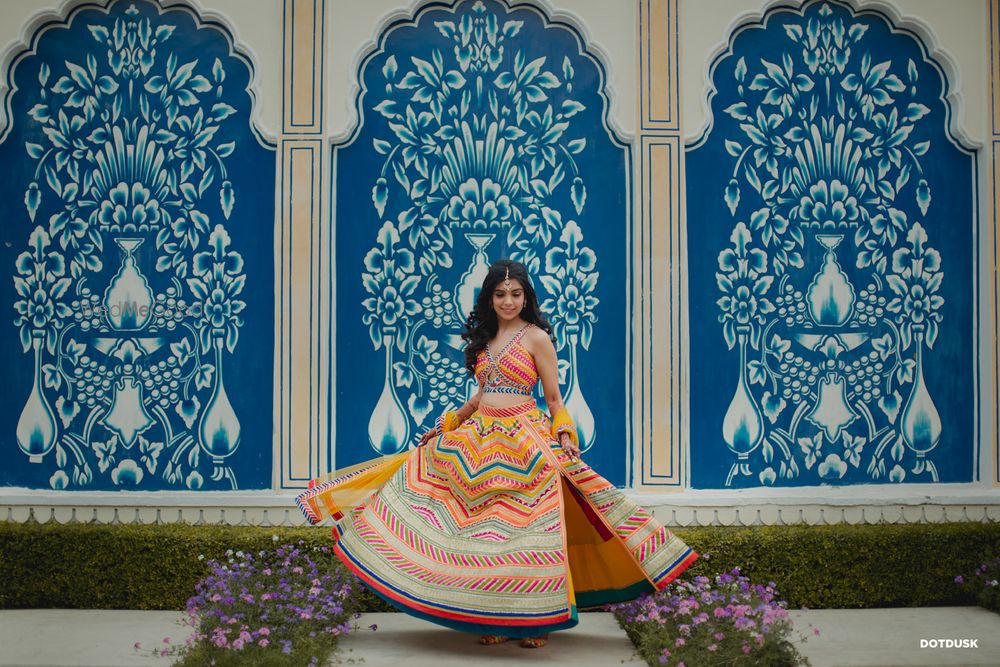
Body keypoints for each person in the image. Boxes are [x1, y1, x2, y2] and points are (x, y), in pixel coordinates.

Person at [297, 259, 697, 648]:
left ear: (527, 297)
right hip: (479, 441)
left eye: (516, 293)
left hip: (523, 442)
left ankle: (536, 622)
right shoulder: (486, 340)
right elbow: (482, 395)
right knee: (483, 535)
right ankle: (495, 619)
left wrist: (565, 432)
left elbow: (554, 398)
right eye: (501, 293)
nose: (509, 301)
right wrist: (446, 425)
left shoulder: (537, 337)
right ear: (489, 298)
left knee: (524, 535)